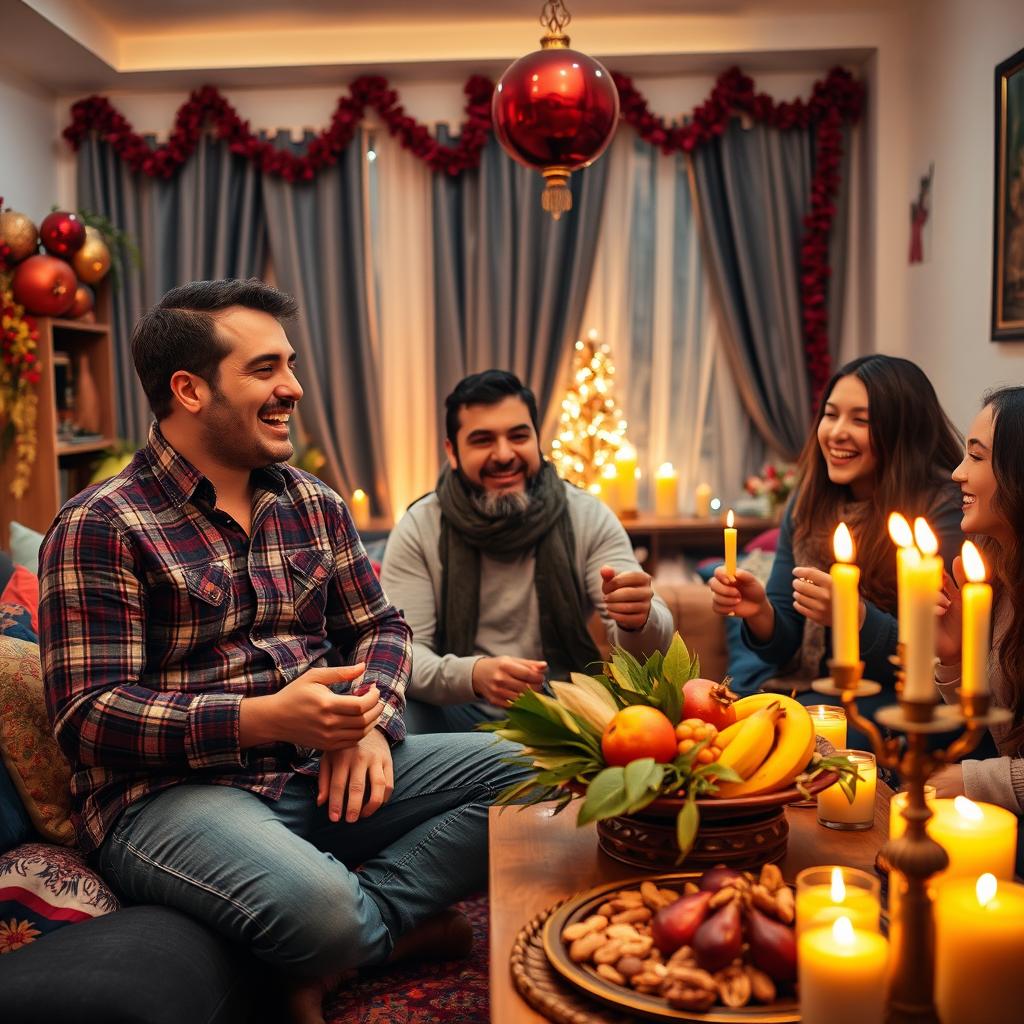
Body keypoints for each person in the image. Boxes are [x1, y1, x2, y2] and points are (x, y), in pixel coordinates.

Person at [37, 279, 529, 1024]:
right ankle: (369, 933)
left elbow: (383, 628)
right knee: (322, 912)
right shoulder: (98, 523)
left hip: (312, 771)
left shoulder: (313, 503)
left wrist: (369, 721)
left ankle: (359, 930)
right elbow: (89, 717)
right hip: (168, 799)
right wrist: (265, 718)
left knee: (538, 770)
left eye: (290, 365)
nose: (293, 388)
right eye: (266, 369)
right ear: (189, 390)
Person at [380, 369, 674, 732]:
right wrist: (474, 675)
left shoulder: (586, 515)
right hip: (457, 713)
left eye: (519, 436)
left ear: (537, 440)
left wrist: (637, 619)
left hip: (568, 709)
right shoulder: (419, 528)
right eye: (482, 440)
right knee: (391, 723)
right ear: (452, 452)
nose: (504, 455)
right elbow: (402, 655)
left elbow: (650, 649)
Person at [708, 355, 963, 722]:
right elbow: (785, 643)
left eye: (861, 420)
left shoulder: (942, 510)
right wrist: (759, 612)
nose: (837, 432)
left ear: (902, 430)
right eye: (831, 414)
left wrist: (855, 615)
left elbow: (937, 659)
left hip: (901, 699)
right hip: (812, 689)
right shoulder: (810, 500)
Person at [931, 386, 1024, 813]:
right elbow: (998, 726)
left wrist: (975, 780)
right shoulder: (1000, 572)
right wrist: (954, 660)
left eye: (977, 456)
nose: (957, 473)